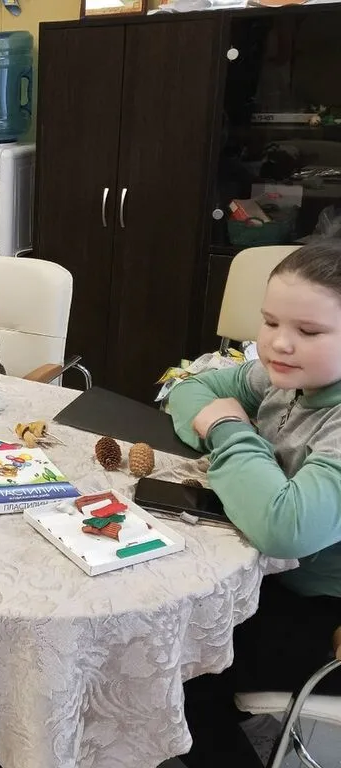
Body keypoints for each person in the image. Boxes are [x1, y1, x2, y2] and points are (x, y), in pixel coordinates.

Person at [166, 240, 341, 766]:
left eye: (309, 331)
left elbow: (285, 527)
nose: (279, 344)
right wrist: (226, 426)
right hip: (266, 575)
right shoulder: (287, 378)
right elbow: (188, 390)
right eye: (269, 322)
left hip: (320, 608)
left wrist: (228, 428)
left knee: (177, 668)